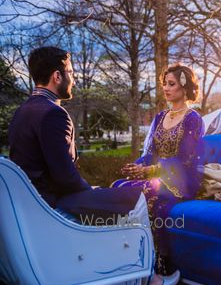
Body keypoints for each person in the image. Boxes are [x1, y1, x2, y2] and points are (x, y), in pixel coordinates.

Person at [8, 46, 179, 285]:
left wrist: (93, 191)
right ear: (57, 76)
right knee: (136, 196)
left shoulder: (22, 112)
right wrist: (91, 192)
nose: (73, 79)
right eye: (70, 72)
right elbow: (65, 178)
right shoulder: (53, 114)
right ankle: (148, 277)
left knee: (109, 194)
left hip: (32, 203)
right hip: (51, 204)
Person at [113, 63, 204, 276]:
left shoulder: (193, 119)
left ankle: (157, 267)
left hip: (180, 180)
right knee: (118, 186)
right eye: (164, 84)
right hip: (155, 175)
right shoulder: (160, 117)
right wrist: (136, 166)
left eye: (171, 84)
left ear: (184, 87)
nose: (166, 88)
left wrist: (151, 172)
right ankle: (126, 257)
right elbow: (150, 153)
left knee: (148, 196)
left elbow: (186, 159)